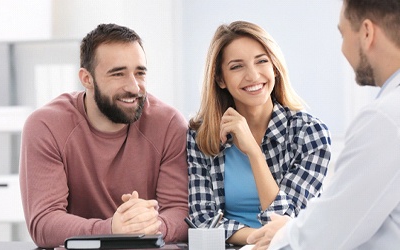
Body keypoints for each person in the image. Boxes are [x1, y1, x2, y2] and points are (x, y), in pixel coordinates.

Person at [246, 0, 400, 249]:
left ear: (367, 32)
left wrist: (284, 235)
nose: (341, 48)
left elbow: (333, 228)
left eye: (342, 33)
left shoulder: (385, 119)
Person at [19, 23, 189, 248]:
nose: (134, 87)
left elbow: (181, 212)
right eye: (118, 74)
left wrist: (151, 225)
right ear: (87, 79)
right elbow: (44, 223)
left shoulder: (168, 124)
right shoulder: (45, 126)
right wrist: (112, 229)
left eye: (140, 73)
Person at [187, 20, 332, 246]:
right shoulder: (201, 136)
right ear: (220, 79)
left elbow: (287, 218)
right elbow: (203, 221)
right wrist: (257, 239)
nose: (253, 75)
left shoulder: (310, 134)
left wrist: (254, 152)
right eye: (237, 66)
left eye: (261, 61)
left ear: (274, 66)